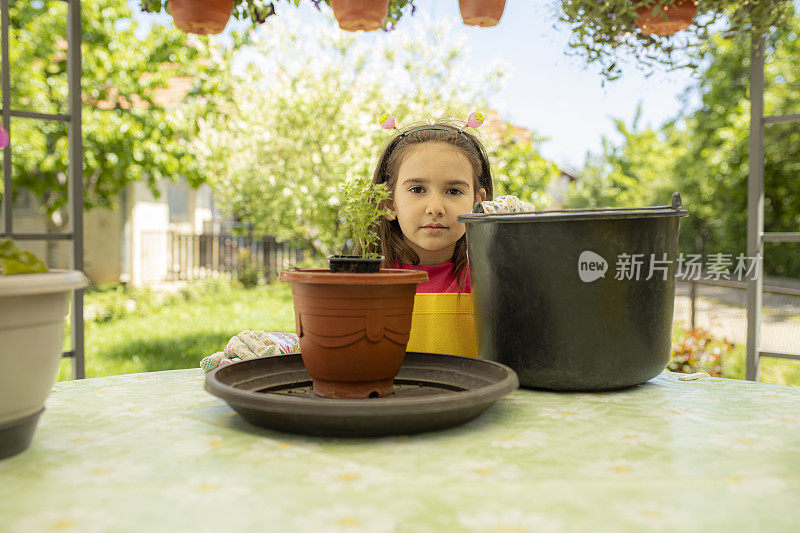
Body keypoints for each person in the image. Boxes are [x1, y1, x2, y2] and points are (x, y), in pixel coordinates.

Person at [369, 114, 494, 295]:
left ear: (478, 204)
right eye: (417, 190)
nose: (435, 208)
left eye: (453, 191)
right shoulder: (364, 282)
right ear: (389, 203)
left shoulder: (491, 281)